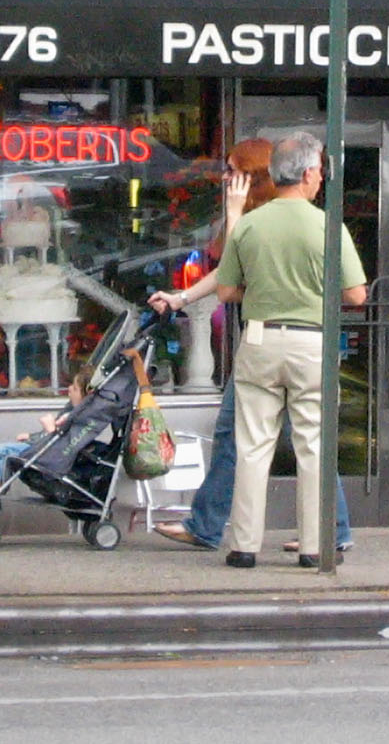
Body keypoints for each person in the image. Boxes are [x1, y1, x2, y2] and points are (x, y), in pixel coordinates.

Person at [148, 138, 353, 555]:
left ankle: (247, 535)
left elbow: (227, 282)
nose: (225, 177)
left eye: (232, 169)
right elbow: (227, 273)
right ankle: (325, 532)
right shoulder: (275, 219)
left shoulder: (256, 220)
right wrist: (183, 298)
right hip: (297, 344)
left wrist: (236, 221)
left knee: (262, 439)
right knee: (299, 439)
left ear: (256, 175)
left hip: (268, 342)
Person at [217, 131, 366, 569]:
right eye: (319, 169)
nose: (321, 177)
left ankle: (244, 547)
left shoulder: (248, 224)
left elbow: (227, 290)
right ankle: (313, 547)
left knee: (252, 446)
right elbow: (356, 295)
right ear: (305, 174)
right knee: (314, 446)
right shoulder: (328, 225)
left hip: (260, 338)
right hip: (311, 342)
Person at [0, 365, 90, 512]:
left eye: (74, 388)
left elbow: (61, 443)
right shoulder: (71, 412)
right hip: (40, 448)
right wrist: (31, 436)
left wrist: (50, 427)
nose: (69, 389)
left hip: (46, 454)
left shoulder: (77, 418)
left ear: (85, 395)